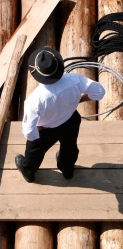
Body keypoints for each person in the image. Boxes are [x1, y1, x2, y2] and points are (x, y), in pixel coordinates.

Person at [15, 47, 105, 183]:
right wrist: (80, 99)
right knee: (70, 147)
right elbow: (99, 92)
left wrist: (37, 133)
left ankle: (29, 173)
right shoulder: (75, 80)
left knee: (34, 154)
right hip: (70, 121)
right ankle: (67, 170)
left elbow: (29, 132)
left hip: (45, 130)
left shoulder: (34, 100)